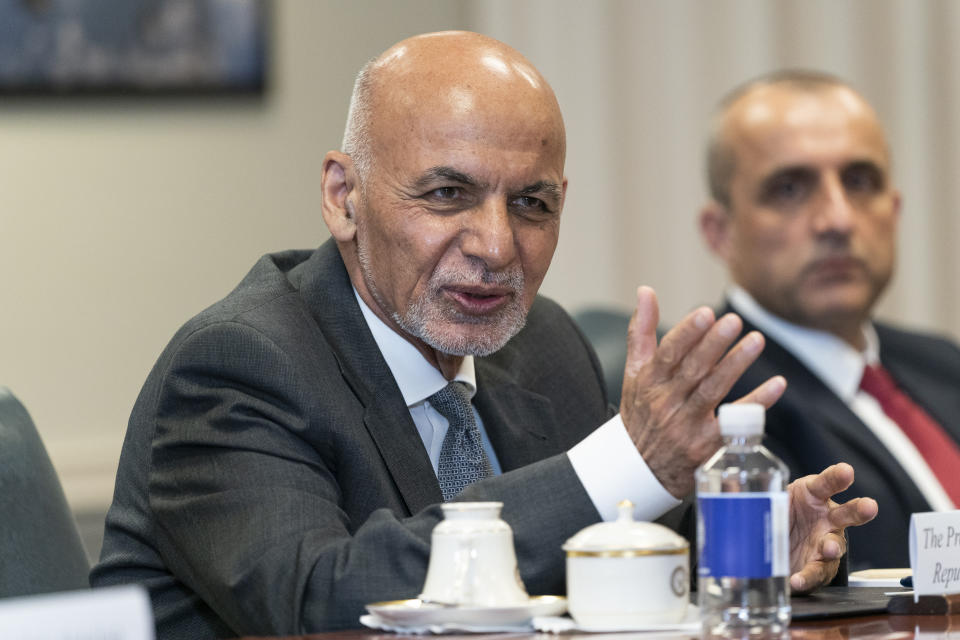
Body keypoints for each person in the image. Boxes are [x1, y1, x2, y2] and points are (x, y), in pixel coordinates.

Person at [92, 34, 877, 638]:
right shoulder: (237, 366)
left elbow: (587, 551)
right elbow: (325, 604)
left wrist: (750, 547)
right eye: (447, 193)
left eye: (532, 204)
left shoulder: (543, 347)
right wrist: (626, 460)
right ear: (343, 197)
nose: (497, 246)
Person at [699, 70, 960, 570]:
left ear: (895, 210)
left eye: (860, 182)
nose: (838, 220)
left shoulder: (943, 362)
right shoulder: (714, 402)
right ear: (720, 232)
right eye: (790, 188)